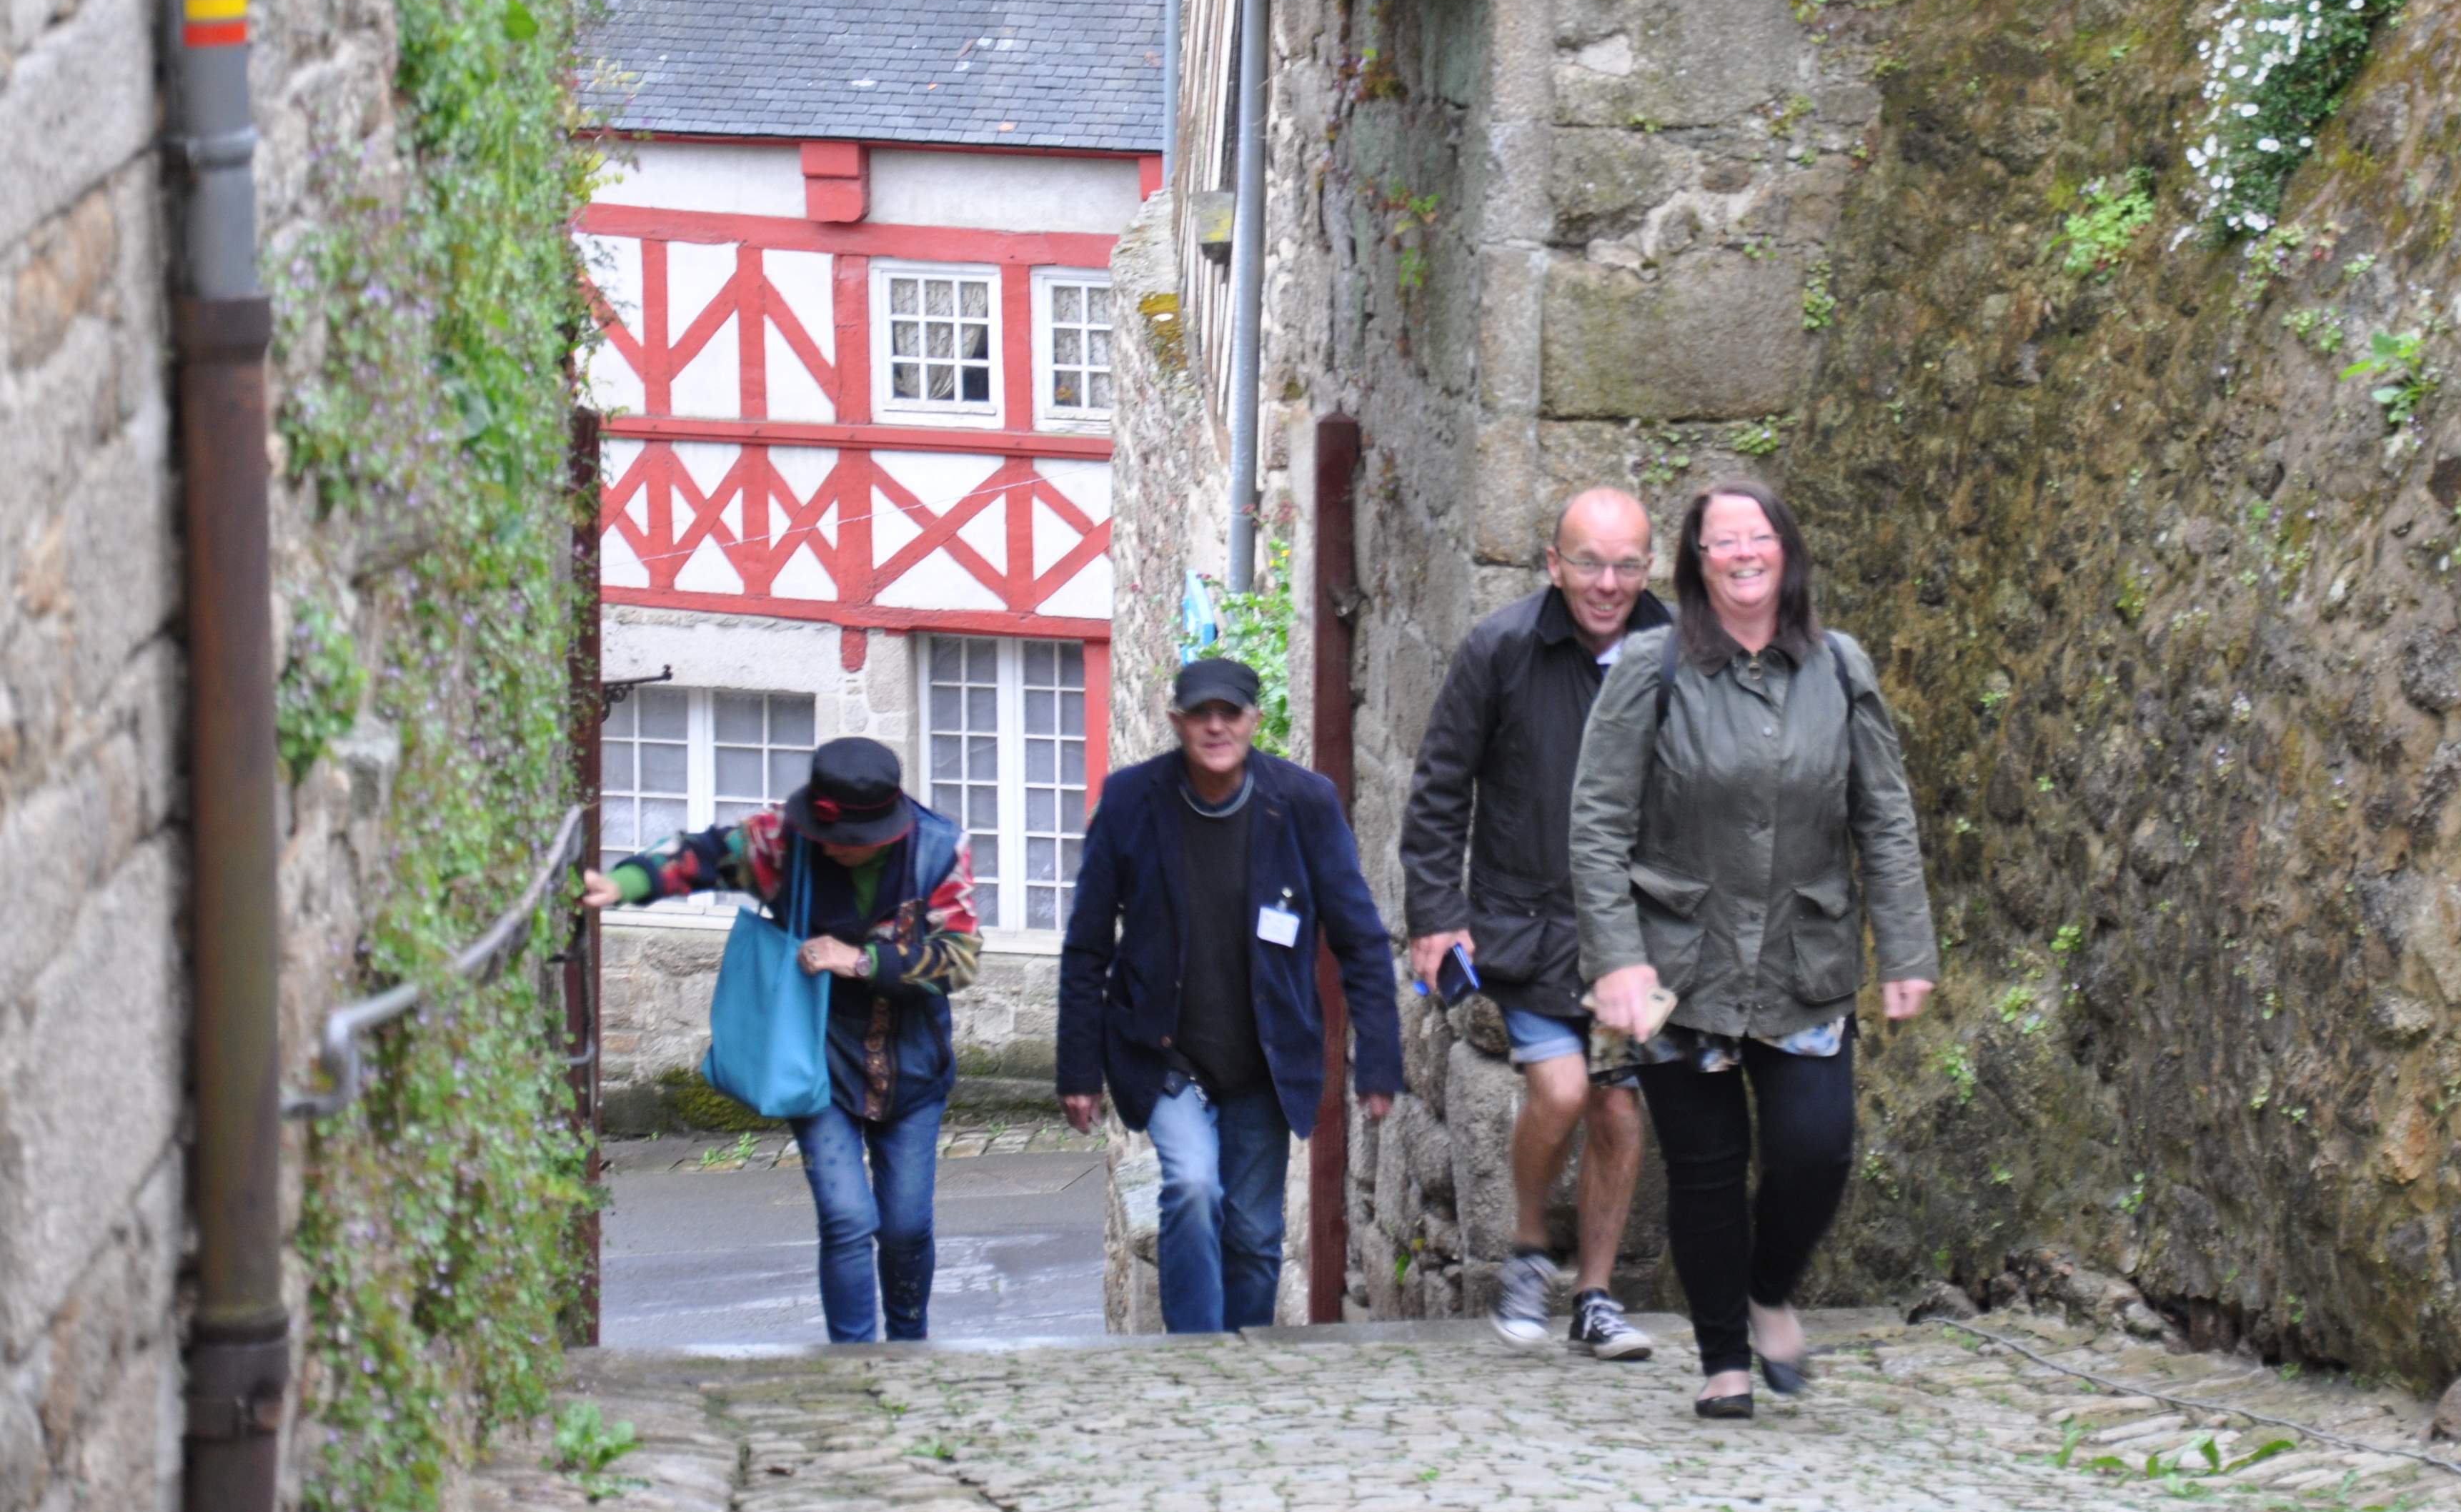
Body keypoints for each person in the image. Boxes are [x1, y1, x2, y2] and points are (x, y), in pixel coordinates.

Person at [1568, 479, 1937, 1419]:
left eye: (1757, 536)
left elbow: (1883, 817)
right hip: (1672, 965)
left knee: (1817, 1150)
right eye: (1721, 541)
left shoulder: (1840, 668)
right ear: (1697, 563)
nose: (1741, 553)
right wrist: (1615, 958)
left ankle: (1769, 1290)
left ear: (1786, 551)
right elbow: (1597, 821)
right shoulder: (1649, 668)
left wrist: (1906, 951)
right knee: (1704, 1170)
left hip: (1802, 960)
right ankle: (1724, 1361)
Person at [580, 734, 980, 1344]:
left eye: (848, 838)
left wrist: (860, 960)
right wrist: (625, 883)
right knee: (848, 1218)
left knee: (905, 1228)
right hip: (812, 1063)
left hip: (913, 1068)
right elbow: (703, 856)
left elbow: (959, 959)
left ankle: (909, 1349)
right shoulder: (784, 842)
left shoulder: (939, 850)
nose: (833, 846)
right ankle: (853, 1366)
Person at [1057, 656, 1406, 1333]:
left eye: (1230, 713)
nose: (1215, 726)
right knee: (1192, 1186)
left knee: (1253, 1235)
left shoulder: (1303, 804)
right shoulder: (1131, 802)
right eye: (1200, 714)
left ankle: (1246, 1362)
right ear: (1176, 721)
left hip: (1264, 1058)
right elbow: (1087, 946)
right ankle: (1197, 1357)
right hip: (1164, 1051)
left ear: (1254, 719)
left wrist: (1379, 1060)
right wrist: (1078, 1070)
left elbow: (1361, 939)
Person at [1401, 487, 1669, 1359]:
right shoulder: (1501, 648)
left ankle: (1595, 1297)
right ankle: (1527, 1246)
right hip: (1525, 926)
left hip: (1631, 937)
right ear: (1554, 565)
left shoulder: (1677, 656)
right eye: (1589, 562)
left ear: (1650, 566)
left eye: (1626, 564)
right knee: (1559, 1091)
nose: (1607, 583)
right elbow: (1440, 788)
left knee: (1617, 1106)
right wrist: (1438, 913)